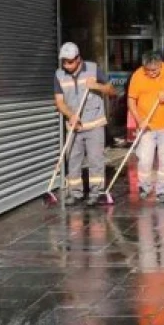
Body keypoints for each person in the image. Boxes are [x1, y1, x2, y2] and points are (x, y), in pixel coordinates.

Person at [53, 42, 117, 205]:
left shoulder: (93, 69)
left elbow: (112, 91)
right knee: (73, 160)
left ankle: (96, 192)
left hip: (94, 124)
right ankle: (75, 192)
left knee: (96, 160)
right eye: (64, 62)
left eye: (70, 61)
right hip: (75, 125)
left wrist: (96, 85)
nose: (67, 65)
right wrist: (70, 115)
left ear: (78, 58)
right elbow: (59, 102)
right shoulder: (59, 75)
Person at [127, 52, 164, 202]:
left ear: (161, 65)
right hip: (146, 125)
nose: (153, 73)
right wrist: (139, 120)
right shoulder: (137, 75)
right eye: (149, 70)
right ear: (144, 67)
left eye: (156, 70)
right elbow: (131, 101)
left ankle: (163, 190)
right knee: (144, 159)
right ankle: (144, 187)